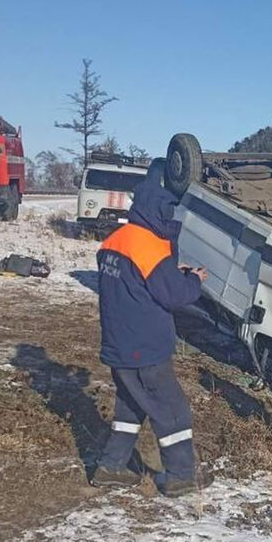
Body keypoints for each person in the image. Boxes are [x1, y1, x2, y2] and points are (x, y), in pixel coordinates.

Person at [91, 176, 211, 497]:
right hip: (144, 349)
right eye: (168, 210)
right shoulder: (148, 246)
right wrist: (193, 280)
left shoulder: (113, 242)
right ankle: (181, 477)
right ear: (156, 209)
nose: (171, 217)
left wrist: (170, 270)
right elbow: (171, 294)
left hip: (119, 344)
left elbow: (138, 285)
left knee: (130, 408)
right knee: (173, 411)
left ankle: (110, 467)